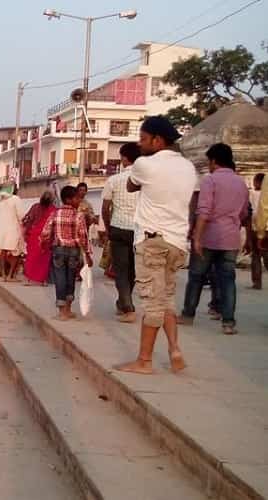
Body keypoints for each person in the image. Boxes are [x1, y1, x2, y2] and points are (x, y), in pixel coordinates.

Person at [116, 116, 197, 375]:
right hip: (177, 241)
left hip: (152, 241)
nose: (139, 145)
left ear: (157, 140)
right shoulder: (188, 168)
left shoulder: (143, 165)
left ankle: (144, 361)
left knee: (152, 304)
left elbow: (130, 185)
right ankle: (174, 350)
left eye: (142, 139)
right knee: (167, 300)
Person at [180, 143, 249, 335]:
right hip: (231, 238)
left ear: (213, 161)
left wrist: (197, 238)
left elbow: (203, 212)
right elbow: (244, 213)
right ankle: (228, 322)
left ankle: (187, 315)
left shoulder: (210, 181)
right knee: (228, 280)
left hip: (209, 236)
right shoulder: (241, 183)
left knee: (196, 277)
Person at [40, 185, 93, 321]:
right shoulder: (78, 215)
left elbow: (45, 233)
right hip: (74, 251)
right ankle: (68, 309)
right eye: (76, 198)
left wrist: (43, 244)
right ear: (68, 199)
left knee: (60, 279)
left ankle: (62, 311)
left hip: (58, 249)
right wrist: (88, 254)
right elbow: (83, 236)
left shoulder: (55, 214)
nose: (79, 201)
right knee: (70, 279)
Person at [102, 143, 141, 322]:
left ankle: (127, 306)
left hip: (118, 228)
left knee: (120, 269)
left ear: (125, 158)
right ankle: (124, 301)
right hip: (138, 230)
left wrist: (108, 227)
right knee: (132, 270)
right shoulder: (144, 180)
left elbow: (105, 207)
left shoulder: (114, 180)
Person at [21, 192, 57, 286]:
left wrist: (25, 233)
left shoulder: (35, 207)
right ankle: (43, 280)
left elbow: (27, 220)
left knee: (31, 257)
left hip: (34, 235)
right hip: (47, 236)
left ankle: (29, 279)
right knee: (45, 259)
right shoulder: (53, 209)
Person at [0, 185, 24, 281]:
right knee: (16, 252)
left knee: (3, 251)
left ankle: (3, 274)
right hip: (13, 228)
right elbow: (20, 215)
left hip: (2, 228)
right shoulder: (16, 199)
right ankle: (10, 275)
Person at [248, 173, 267, 289]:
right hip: (266, 227)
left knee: (255, 256)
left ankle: (257, 282)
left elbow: (254, 212)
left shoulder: (252, 194)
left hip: (257, 228)